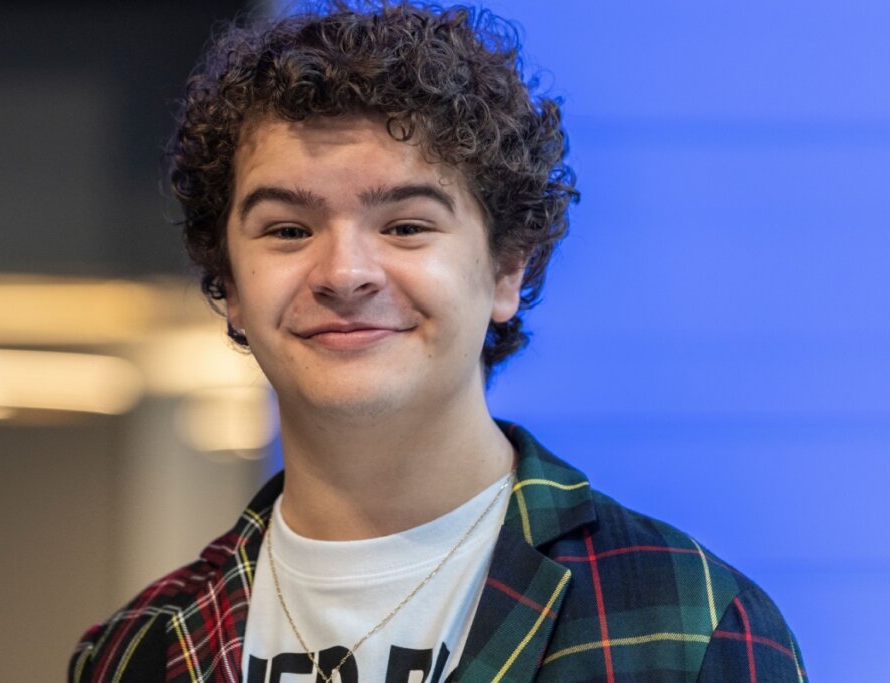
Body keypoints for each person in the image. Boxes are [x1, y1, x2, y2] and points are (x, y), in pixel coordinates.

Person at [69, 2, 806, 681]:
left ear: (507, 269)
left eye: (406, 226)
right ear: (227, 283)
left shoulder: (690, 624)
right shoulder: (137, 649)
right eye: (288, 230)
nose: (345, 273)